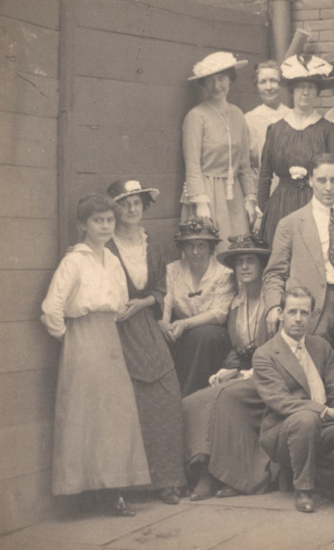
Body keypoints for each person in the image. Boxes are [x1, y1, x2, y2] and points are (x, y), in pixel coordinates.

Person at [41, 193, 149, 516]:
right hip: (82, 340)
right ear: (82, 225)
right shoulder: (73, 261)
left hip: (110, 340)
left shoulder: (113, 261)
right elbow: (51, 310)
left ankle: (113, 491)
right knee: (83, 414)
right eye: (98, 221)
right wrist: (71, 339)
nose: (105, 227)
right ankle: (81, 493)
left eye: (109, 221)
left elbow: (119, 303)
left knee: (115, 416)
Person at [105, 179, 186, 505]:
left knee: (166, 393)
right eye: (126, 203)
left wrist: (143, 303)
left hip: (146, 325)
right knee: (127, 399)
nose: (133, 208)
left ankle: (168, 480)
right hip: (116, 329)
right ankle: (129, 486)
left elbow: (160, 290)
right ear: (114, 208)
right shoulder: (106, 246)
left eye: (138, 202)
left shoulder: (152, 245)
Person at [262, 154, 334, 389]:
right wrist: (273, 306)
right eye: (321, 180)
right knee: (317, 380)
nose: (328, 187)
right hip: (313, 311)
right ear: (311, 181)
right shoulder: (291, 223)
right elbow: (274, 274)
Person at [183, 234, 275, 501]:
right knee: (194, 400)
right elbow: (237, 349)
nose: (244, 267)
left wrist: (249, 373)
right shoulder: (236, 303)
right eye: (239, 263)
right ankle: (202, 469)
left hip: (270, 378)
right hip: (245, 376)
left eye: (250, 261)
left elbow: (280, 351)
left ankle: (228, 476)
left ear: (261, 266)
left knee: (224, 398)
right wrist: (228, 369)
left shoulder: (273, 305)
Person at [253, 287, 334, 513]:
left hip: (323, 424)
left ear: (312, 316)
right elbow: (281, 401)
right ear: (281, 314)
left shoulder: (320, 346)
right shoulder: (266, 354)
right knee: (306, 419)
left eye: (304, 313)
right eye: (292, 312)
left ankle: (318, 478)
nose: (299, 319)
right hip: (284, 430)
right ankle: (304, 489)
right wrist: (327, 412)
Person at [256, 54, 334, 247]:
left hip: (315, 204)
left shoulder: (328, 129)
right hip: (281, 205)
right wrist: (266, 210)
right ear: (292, 90)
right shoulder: (276, 129)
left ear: (317, 92)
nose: (305, 92)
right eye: (301, 86)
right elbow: (265, 175)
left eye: (311, 87)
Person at [181, 52, 257, 253]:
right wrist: (200, 204)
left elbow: (244, 165)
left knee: (237, 251)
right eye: (211, 80)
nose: (217, 86)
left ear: (230, 79)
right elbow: (193, 165)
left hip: (234, 197)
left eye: (221, 79)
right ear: (204, 84)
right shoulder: (196, 116)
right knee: (213, 249)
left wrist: (250, 198)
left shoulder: (238, 114)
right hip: (207, 194)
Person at [161, 217, 236, 396]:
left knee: (203, 335)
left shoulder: (224, 274)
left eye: (201, 246)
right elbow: (166, 301)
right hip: (180, 331)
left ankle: (191, 396)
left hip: (213, 335)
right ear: (183, 248)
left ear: (211, 248)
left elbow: (219, 313)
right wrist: (164, 323)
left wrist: (185, 324)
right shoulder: (172, 270)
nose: (195, 252)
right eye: (190, 246)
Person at [244, 60, 290, 183]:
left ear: (281, 84)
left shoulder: (293, 116)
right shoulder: (249, 120)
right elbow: (245, 165)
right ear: (256, 86)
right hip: (261, 189)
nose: (268, 87)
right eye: (263, 82)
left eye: (273, 81)